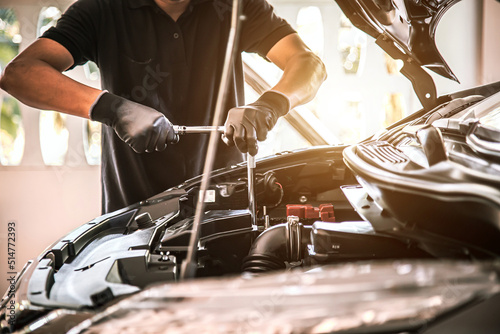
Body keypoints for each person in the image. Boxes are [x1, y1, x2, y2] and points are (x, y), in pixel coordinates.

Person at [0, 0, 326, 213]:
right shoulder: (101, 10)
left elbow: (309, 63)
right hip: (133, 222)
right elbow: (20, 73)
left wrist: (269, 105)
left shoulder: (234, 6)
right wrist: (111, 108)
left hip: (227, 215)